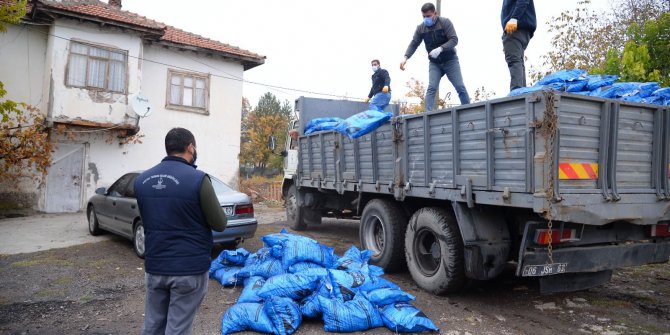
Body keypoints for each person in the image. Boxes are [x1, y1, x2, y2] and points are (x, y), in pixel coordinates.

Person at [134, 127, 227, 335]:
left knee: (152, 325)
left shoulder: (141, 181)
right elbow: (219, 223)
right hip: (188, 269)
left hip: (155, 266)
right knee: (178, 328)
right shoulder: (198, 179)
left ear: (167, 149)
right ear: (190, 147)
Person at [401, 2, 470, 110]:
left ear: (435, 14)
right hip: (435, 63)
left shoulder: (445, 22)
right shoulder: (420, 28)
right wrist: (406, 57)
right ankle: (427, 115)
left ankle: (468, 109)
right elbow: (414, 43)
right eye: (423, 17)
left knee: (460, 86)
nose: (426, 19)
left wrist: (441, 48)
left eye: (428, 16)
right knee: (432, 87)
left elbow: (454, 39)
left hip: (450, 60)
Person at [501, 0, 536, 91]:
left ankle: (517, 91)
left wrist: (514, 18)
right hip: (521, 29)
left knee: (514, 61)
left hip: (515, 29)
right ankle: (521, 91)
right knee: (518, 61)